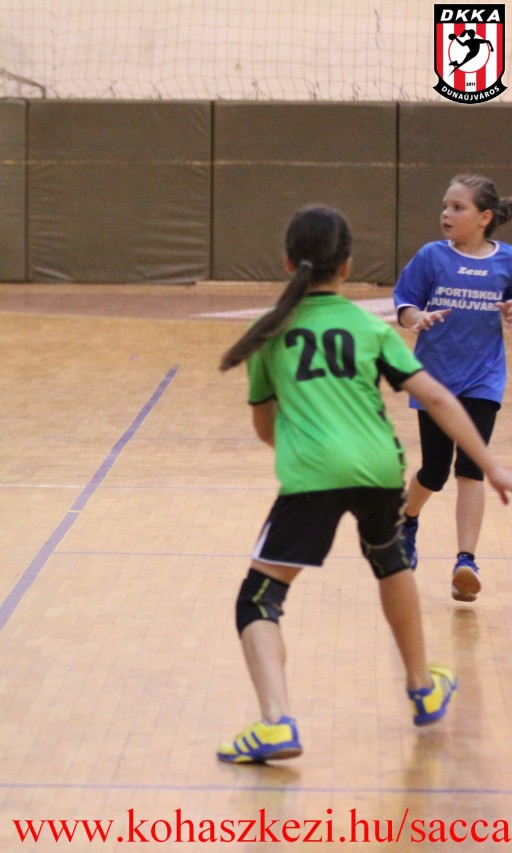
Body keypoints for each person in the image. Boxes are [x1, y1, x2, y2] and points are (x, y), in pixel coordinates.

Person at [216, 205, 512, 764]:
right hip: (380, 469)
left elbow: (265, 428)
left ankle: (276, 723)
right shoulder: (369, 328)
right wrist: (490, 464)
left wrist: (309, 452)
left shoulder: (271, 335)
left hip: (314, 475)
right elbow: (438, 397)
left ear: (287, 262)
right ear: (347, 266)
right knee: (390, 561)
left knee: (258, 599)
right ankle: (422, 688)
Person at [393, 175, 512, 603]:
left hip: (483, 379)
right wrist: (417, 319)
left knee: (471, 468)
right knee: (435, 471)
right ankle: (407, 519)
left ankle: (466, 561)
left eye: (458, 207)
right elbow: (404, 303)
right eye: (445, 205)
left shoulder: (507, 261)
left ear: (484, 217)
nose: (446, 213)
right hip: (435, 380)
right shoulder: (432, 257)